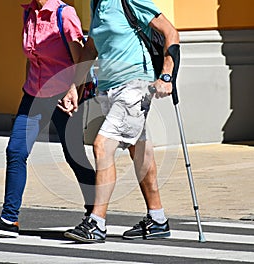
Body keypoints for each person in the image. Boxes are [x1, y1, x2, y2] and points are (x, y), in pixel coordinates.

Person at [59, 0, 180, 243]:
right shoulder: (96, 5)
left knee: (102, 145)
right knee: (140, 148)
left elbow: (171, 32)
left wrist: (167, 75)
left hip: (135, 84)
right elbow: (91, 49)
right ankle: (157, 219)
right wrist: (75, 88)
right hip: (108, 88)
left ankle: (97, 222)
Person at [0, 0, 95, 238]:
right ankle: (9, 219)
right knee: (16, 151)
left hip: (63, 96)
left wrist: (74, 93)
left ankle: (95, 213)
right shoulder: (29, 13)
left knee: (74, 156)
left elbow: (81, 61)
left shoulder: (64, 14)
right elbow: (33, 58)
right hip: (33, 95)